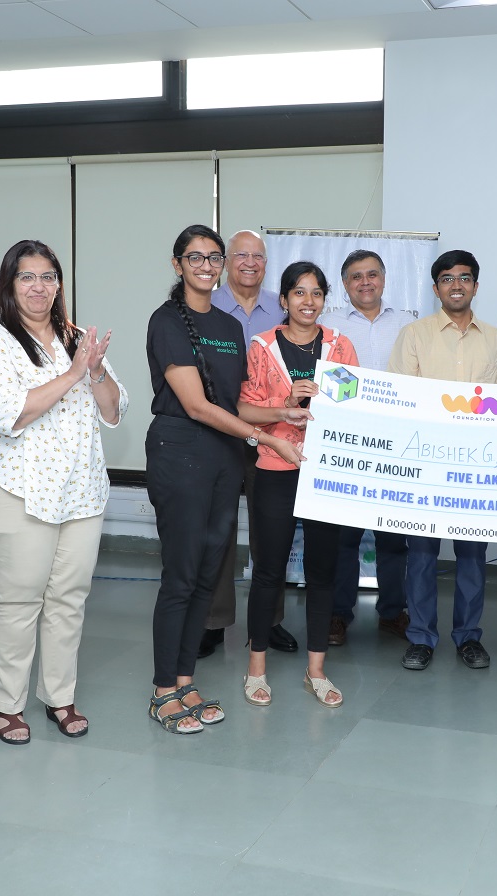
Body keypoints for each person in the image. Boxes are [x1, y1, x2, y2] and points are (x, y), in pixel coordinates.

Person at [145, 225, 307, 734]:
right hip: (180, 451)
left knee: (208, 571)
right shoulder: (166, 320)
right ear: (177, 264)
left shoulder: (229, 326)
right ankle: (163, 691)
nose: (206, 265)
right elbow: (196, 405)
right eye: (195, 257)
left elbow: (236, 402)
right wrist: (266, 440)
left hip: (223, 456)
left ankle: (185, 680)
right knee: (180, 575)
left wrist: (283, 410)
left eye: (213, 257)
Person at [0, 240, 128, 745]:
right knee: (19, 602)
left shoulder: (77, 337)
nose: (39, 287)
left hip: (80, 492)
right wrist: (74, 373)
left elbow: (113, 410)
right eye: (27, 277)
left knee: (69, 600)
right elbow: (6, 412)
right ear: (10, 285)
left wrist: (96, 370)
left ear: (59, 284)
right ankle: (8, 706)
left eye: (48, 277)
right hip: (17, 490)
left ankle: (59, 696)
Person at [388, 250, 497, 671]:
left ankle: (468, 637)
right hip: (425, 466)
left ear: (476, 286)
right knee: (421, 556)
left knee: (473, 557)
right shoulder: (414, 335)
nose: (456, 285)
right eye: (447, 278)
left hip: (477, 470)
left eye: (464, 278)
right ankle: (421, 638)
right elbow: (400, 401)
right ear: (435, 288)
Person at [238, 261, 357, 707]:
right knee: (268, 571)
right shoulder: (262, 346)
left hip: (325, 472)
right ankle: (256, 669)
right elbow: (244, 410)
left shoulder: (340, 346)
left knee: (322, 572)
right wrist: (285, 403)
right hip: (275, 467)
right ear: (284, 299)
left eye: (317, 293)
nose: (309, 301)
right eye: (299, 293)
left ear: (325, 299)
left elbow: (355, 407)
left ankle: (316, 671)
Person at [201, 230, 297, 657]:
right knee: (218, 529)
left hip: (272, 432)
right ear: (226, 261)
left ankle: (269, 620)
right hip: (219, 429)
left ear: (266, 263)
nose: (249, 262)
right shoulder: (206, 304)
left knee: (270, 531)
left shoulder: (282, 307)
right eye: (240, 254)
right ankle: (213, 621)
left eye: (257, 255)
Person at [317, 250, 415, 646]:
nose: (365, 282)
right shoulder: (328, 326)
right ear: (345, 285)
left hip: (396, 446)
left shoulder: (408, 323)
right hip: (348, 444)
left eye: (372, 274)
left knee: (393, 538)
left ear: (384, 279)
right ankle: (338, 614)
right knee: (344, 538)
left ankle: (392, 612)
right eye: (356, 276)